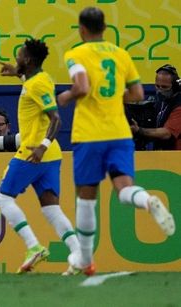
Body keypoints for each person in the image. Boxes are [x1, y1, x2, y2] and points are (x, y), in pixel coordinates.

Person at [57, 7, 175, 276]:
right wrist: (111, 97)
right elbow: (135, 93)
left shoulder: (76, 53)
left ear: (82, 29)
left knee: (86, 199)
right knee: (124, 189)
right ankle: (148, 201)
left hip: (90, 134)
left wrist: (67, 96)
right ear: (105, 28)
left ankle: (85, 260)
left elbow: (83, 87)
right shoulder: (121, 55)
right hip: (120, 133)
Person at [0, 39, 81, 274]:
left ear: (29, 60)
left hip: (34, 152)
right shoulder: (38, 79)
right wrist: (17, 74)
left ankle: (33, 246)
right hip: (52, 156)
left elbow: (56, 119)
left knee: (3, 200)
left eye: (19, 57)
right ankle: (79, 254)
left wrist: (42, 145)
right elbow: (33, 87)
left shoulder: (37, 85)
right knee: (51, 209)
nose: (17, 60)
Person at [130, 64, 181, 150]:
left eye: (164, 87)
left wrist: (139, 130)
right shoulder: (161, 100)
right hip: (162, 153)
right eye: (157, 86)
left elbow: (166, 133)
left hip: (176, 157)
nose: (160, 90)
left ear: (175, 87)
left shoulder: (179, 105)